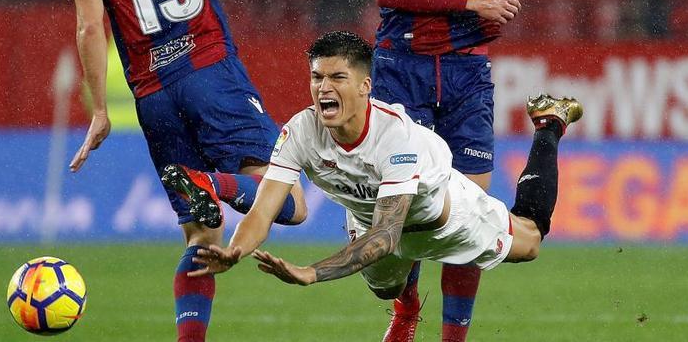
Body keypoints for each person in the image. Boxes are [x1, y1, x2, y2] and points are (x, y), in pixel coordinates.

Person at [185, 32, 582, 338]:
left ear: (365, 86)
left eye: (338, 77)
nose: (324, 87)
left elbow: (389, 236)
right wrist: (234, 251)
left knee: (529, 241)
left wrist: (311, 273)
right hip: (370, 221)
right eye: (317, 77)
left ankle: (549, 124)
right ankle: (406, 307)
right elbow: (262, 211)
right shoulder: (301, 131)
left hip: (444, 220)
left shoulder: (395, 137)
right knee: (384, 290)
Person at [65, 0, 307, 340]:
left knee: (202, 237)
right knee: (293, 203)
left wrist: (97, 111)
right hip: (210, 74)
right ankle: (214, 184)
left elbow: (90, 28)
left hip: (154, 98)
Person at [368, 0, 520, 339]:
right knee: (409, 206)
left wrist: (478, 13)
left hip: (466, 70)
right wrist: (472, 3)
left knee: (472, 213)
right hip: (404, 67)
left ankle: (455, 336)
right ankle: (407, 306)